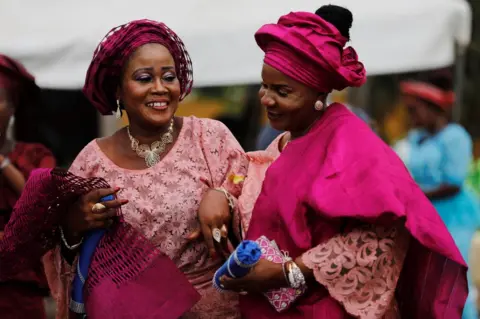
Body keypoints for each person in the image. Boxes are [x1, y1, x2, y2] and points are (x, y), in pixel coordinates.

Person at [196, 5, 468, 318]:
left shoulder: (350, 143)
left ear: (317, 92)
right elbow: (255, 197)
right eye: (264, 85)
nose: (266, 99)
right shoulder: (284, 141)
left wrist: (288, 272)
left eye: (282, 91)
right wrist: (221, 199)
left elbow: (382, 235)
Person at [50, 19, 248, 319]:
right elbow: (66, 255)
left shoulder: (211, 138)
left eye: (169, 77)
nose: (160, 88)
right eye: (144, 78)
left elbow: (261, 207)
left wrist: (224, 197)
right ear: (118, 89)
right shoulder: (92, 161)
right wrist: (74, 225)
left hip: (219, 310)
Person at [394, 80, 480, 319]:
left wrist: (414, 196)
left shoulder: (455, 137)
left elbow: (453, 182)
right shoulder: (415, 139)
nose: (410, 116)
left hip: (453, 217)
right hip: (424, 217)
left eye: (414, 110)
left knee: (454, 276)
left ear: (433, 108)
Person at [0, 55, 56, 318]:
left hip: (20, 293)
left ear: (12, 107)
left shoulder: (35, 156)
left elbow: (40, 203)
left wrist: (1, 162)